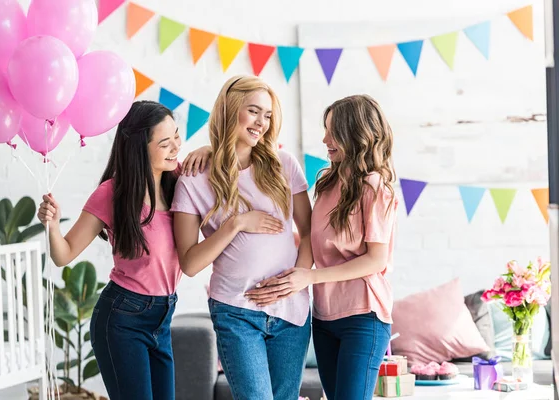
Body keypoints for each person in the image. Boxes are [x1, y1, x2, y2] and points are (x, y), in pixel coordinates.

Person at [36, 100, 209, 400]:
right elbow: (63, 255)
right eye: (165, 143)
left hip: (163, 316)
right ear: (140, 148)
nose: (175, 147)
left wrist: (207, 150)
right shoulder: (111, 194)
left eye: (177, 137)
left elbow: (225, 162)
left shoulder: (180, 180)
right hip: (122, 319)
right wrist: (51, 225)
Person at [245, 94, 398, 400]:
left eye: (333, 132)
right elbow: (309, 242)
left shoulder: (375, 187)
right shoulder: (327, 182)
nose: (325, 139)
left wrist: (309, 277)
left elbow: (375, 260)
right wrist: (285, 283)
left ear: (357, 134)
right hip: (324, 317)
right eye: (326, 130)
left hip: (363, 317)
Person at [171, 75, 313, 400]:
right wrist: (235, 224)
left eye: (267, 115)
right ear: (231, 109)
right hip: (236, 310)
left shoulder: (284, 165)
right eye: (253, 111)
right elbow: (190, 264)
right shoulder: (194, 179)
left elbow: (308, 234)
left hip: (290, 310)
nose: (261, 123)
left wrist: (297, 280)